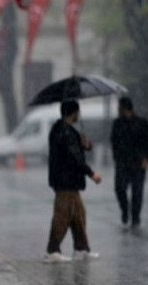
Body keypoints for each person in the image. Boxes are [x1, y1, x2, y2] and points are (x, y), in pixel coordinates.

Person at [45, 100, 102, 263]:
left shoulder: (63, 130)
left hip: (67, 181)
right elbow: (75, 158)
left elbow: (75, 150)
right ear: (73, 113)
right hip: (66, 181)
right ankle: (52, 250)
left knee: (78, 215)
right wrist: (92, 174)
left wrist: (85, 144)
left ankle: (81, 248)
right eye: (78, 111)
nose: (79, 115)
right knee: (62, 216)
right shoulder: (65, 132)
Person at [110, 97, 148, 229]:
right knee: (119, 188)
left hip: (138, 163)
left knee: (137, 192)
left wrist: (146, 158)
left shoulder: (142, 123)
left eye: (119, 107)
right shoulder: (117, 124)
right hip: (122, 162)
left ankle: (135, 217)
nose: (117, 110)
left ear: (124, 108)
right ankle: (125, 210)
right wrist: (115, 157)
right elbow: (113, 142)